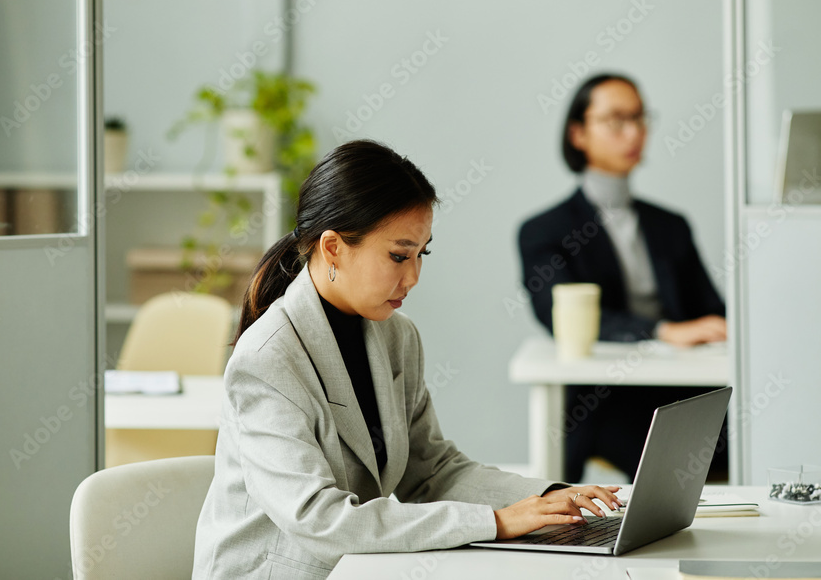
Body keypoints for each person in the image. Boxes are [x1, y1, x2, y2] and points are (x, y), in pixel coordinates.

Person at [193, 140, 622, 579]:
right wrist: (495, 522)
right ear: (333, 248)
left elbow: (432, 472)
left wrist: (553, 497)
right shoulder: (267, 360)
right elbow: (318, 519)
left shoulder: (397, 336)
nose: (413, 277)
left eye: (422, 254)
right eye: (399, 255)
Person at [517, 73, 727, 483]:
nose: (633, 132)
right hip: (605, 398)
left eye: (639, 117)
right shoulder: (544, 230)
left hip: (686, 391)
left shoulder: (670, 225)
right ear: (578, 133)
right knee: (669, 460)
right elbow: (557, 318)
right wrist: (663, 331)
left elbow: (711, 311)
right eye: (616, 120)